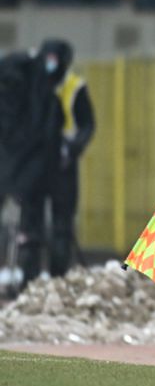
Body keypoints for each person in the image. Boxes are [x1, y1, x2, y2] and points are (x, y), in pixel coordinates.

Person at [16, 41, 94, 282]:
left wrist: (72, 148)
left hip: (62, 165)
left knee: (62, 225)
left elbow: (87, 124)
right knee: (30, 225)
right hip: (34, 165)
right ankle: (28, 284)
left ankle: (58, 281)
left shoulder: (74, 87)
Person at [1, 42, 65, 290]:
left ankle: (24, 278)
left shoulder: (14, 86)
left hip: (11, 159)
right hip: (29, 164)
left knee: (24, 221)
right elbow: (46, 131)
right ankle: (27, 281)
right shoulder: (41, 92)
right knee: (30, 224)